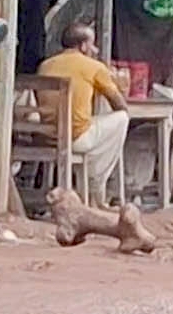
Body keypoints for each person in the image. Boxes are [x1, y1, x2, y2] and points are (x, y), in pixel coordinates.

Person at [37, 22, 130, 207]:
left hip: (46, 135)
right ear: (84, 46)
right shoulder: (94, 67)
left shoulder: (45, 65)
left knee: (91, 122)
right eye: (92, 44)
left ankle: (88, 180)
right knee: (122, 119)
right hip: (75, 139)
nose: (95, 49)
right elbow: (119, 105)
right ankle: (96, 184)